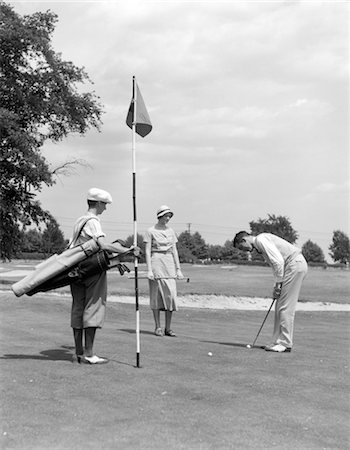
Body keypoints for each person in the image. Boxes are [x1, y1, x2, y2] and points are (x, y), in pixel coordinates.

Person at [70, 188, 139, 364]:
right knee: (93, 308)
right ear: (98, 203)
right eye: (105, 205)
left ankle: (79, 353)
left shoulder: (79, 220)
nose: (105, 208)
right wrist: (127, 250)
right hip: (91, 271)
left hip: (74, 271)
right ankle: (89, 354)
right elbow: (102, 246)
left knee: (78, 308)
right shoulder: (93, 221)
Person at [233, 231, 308, 353]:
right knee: (279, 306)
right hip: (291, 266)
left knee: (285, 306)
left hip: (294, 265)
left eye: (242, 247)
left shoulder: (261, 240)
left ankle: (285, 343)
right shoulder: (260, 246)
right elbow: (275, 265)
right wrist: (276, 285)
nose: (244, 251)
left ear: (244, 240)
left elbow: (278, 262)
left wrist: (279, 284)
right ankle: (276, 341)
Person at [144, 205, 184, 337]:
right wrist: (149, 270)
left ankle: (168, 328)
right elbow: (147, 251)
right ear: (160, 216)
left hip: (169, 263)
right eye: (166, 216)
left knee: (170, 295)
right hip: (156, 262)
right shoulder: (150, 231)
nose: (168, 218)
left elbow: (174, 250)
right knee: (156, 295)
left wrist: (178, 269)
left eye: (169, 216)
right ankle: (158, 327)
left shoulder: (171, 231)